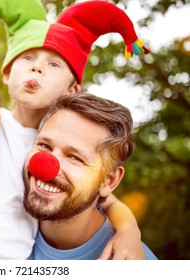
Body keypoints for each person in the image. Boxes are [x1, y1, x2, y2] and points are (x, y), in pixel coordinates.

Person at [0, 0, 150, 260]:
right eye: (28, 57)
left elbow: (106, 198)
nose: (37, 67)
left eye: (54, 64)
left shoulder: (58, 147)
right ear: (7, 73)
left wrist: (128, 230)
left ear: (72, 89)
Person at [24, 92, 157, 260]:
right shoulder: (6, 206)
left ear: (108, 181)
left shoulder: (132, 262)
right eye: (44, 145)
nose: (47, 166)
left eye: (74, 157)